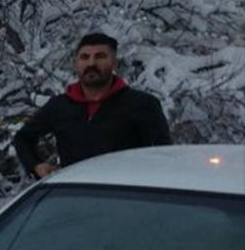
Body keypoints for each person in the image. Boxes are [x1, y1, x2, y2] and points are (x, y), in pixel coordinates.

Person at [14, 32, 172, 179]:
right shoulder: (60, 106)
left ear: (114, 63)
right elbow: (23, 138)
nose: (91, 63)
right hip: (77, 196)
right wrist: (36, 166)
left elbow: (165, 156)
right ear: (75, 64)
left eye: (100, 56)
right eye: (84, 57)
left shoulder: (142, 104)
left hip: (127, 197)